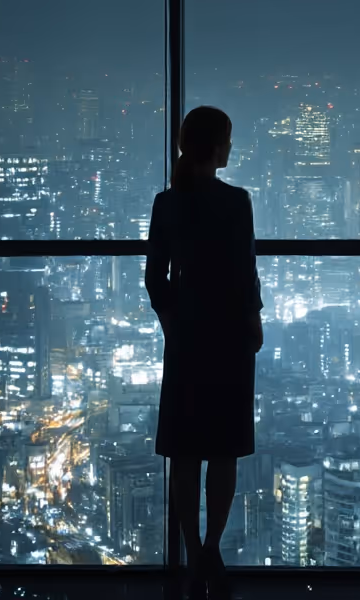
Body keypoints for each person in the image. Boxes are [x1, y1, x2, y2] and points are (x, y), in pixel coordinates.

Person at [146, 106, 264, 600]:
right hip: (229, 336)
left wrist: (173, 326)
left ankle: (194, 552)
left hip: (188, 338)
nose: (231, 148)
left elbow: (155, 278)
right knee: (223, 449)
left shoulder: (167, 203)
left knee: (186, 450)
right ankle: (211, 548)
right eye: (228, 140)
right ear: (215, 147)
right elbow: (245, 272)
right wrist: (253, 322)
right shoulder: (237, 202)